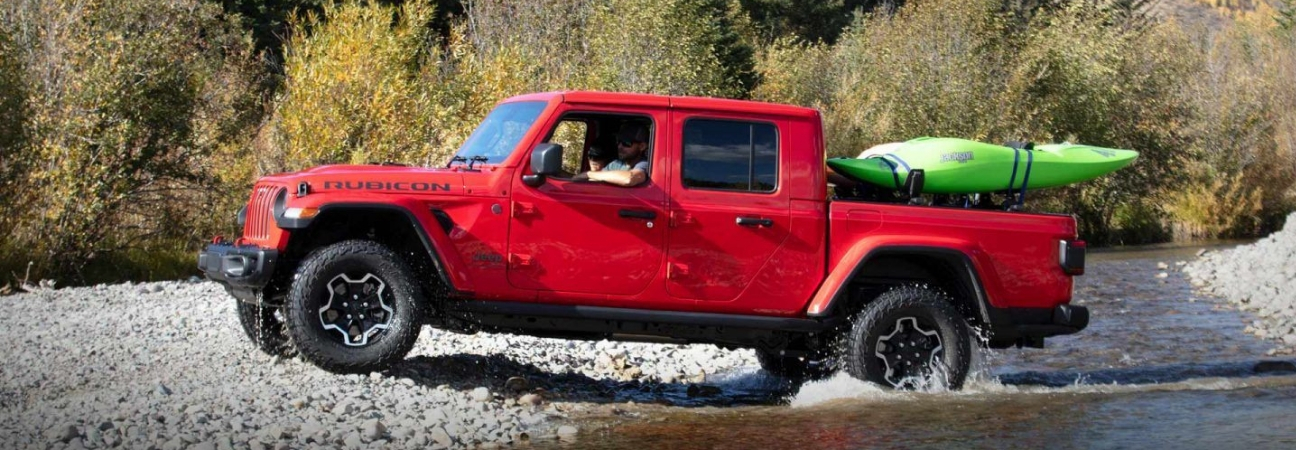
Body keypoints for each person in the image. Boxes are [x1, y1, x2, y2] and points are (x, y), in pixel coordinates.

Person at [573, 123, 650, 187]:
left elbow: (629, 179)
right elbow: (596, 179)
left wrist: (589, 174)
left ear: (642, 146)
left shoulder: (645, 165)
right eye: (618, 141)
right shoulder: (616, 164)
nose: (619, 146)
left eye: (626, 143)